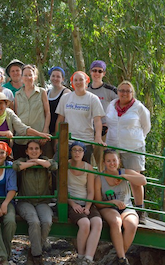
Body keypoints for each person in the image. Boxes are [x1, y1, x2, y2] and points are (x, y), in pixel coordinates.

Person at [105, 80, 151, 224]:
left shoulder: (139, 107)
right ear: (117, 92)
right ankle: (118, 207)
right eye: (121, 90)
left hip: (133, 148)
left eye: (127, 91)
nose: (124, 93)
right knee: (113, 177)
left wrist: (134, 138)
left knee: (135, 180)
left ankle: (140, 211)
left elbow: (146, 127)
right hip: (113, 148)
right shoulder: (112, 105)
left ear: (132, 93)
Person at [94, 149, 147, 265]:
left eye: (114, 160)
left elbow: (143, 181)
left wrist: (124, 177)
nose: (112, 163)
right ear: (104, 162)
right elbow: (98, 203)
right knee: (116, 222)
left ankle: (117, 259)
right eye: (108, 161)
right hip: (108, 207)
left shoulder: (125, 172)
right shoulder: (99, 178)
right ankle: (122, 259)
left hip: (126, 207)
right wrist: (112, 202)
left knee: (132, 224)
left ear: (119, 161)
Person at [13, 140, 57, 265]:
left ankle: (33, 252)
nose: (34, 151)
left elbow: (53, 165)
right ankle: (37, 256)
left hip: (42, 202)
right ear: (26, 151)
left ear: (41, 151)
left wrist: (36, 161)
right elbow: (16, 166)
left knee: (47, 221)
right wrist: (30, 163)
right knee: (34, 221)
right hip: (25, 201)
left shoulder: (45, 160)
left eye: (36, 148)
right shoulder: (22, 160)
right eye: (31, 149)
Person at [0, 92, 51, 163]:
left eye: (1, 103)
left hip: (6, 152)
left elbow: (22, 128)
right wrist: (3, 133)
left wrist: (40, 134)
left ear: (6, 105)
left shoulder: (9, 113)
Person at [55, 71, 106, 163]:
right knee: (59, 168)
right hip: (67, 141)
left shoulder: (93, 99)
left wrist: (98, 137)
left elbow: (97, 120)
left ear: (86, 82)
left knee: (84, 171)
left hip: (86, 142)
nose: (78, 82)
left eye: (81, 80)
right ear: (72, 83)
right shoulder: (65, 98)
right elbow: (60, 119)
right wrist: (57, 138)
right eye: (75, 80)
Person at [68, 141, 102, 265]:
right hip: (72, 203)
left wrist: (87, 207)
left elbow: (91, 190)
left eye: (80, 150)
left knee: (97, 222)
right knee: (85, 223)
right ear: (70, 152)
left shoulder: (88, 167)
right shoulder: (65, 166)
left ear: (83, 153)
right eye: (74, 150)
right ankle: (81, 256)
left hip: (87, 202)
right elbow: (62, 190)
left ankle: (89, 258)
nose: (77, 153)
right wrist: (73, 204)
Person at [13, 64, 50, 159]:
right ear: (21, 77)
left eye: (30, 75)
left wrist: (45, 131)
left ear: (35, 77)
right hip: (22, 138)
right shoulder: (17, 94)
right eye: (25, 75)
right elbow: (16, 116)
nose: (28, 77)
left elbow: (47, 113)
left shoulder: (42, 92)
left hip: (39, 137)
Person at [87, 60, 118, 170]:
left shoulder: (110, 90)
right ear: (90, 72)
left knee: (102, 161)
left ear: (104, 73)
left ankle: (103, 185)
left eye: (100, 71)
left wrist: (112, 124)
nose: (97, 73)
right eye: (94, 70)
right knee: (88, 161)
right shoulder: (86, 89)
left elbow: (124, 104)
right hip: (88, 130)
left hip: (104, 131)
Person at [46, 67, 71, 156]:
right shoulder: (47, 92)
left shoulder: (66, 92)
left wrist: (57, 138)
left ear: (62, 79)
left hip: (60, 131)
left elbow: (64, 115)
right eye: (53, 76)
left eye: (58, 76)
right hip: (48, 131)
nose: (55, 79)